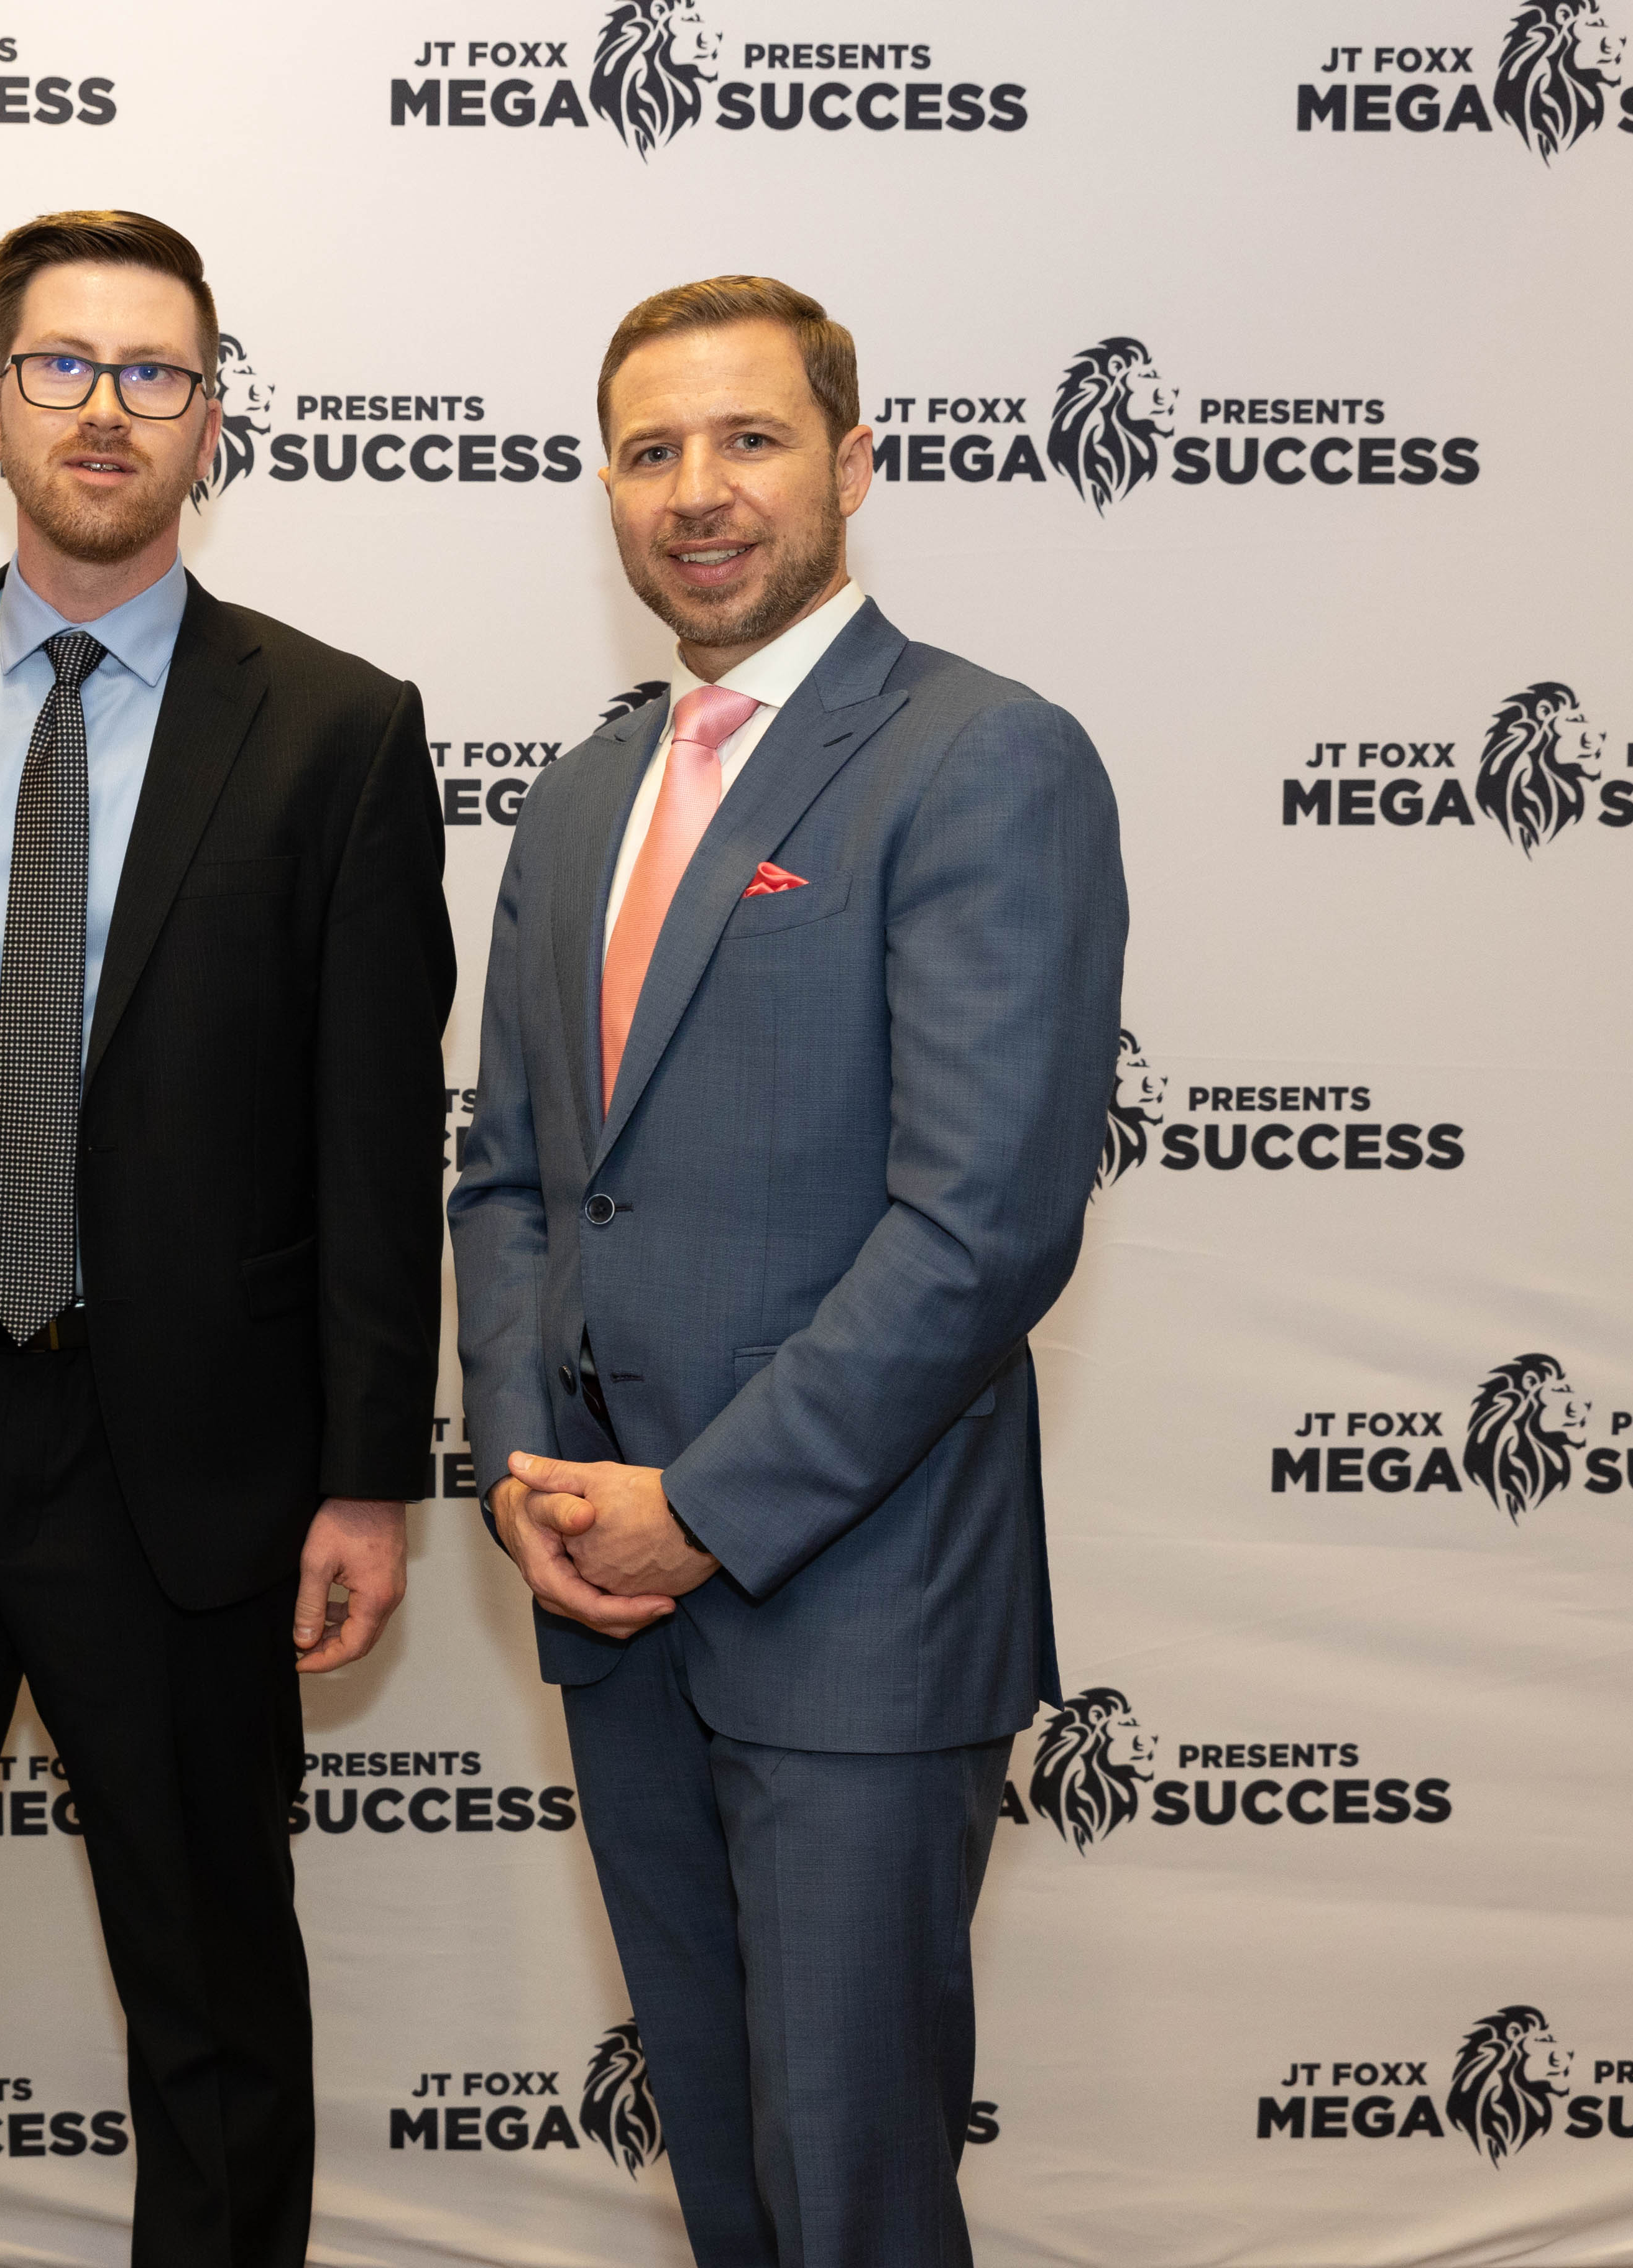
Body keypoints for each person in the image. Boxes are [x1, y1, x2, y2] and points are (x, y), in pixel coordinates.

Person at [0, 210, 456, 2267]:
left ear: (213, 418)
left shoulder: (335, 728)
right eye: (63, 367)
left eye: (157, 373)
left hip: (188, 1454)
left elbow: (373, 1138)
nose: (107, 410)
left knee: (212, 1992)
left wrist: (367, 1474)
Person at [448, 276, 1126, 2267]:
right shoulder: (585, 795)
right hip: (610, 1605)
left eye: (749, 439)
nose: (698, 492)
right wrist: (527, 1473)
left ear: (853, 462)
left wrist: (708, 1509)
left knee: (851, 2196)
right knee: (736, 2190)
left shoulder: (985, 757)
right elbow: (511, 1180)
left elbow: (982, 1227)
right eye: (650, 451)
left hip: (854, 1617)